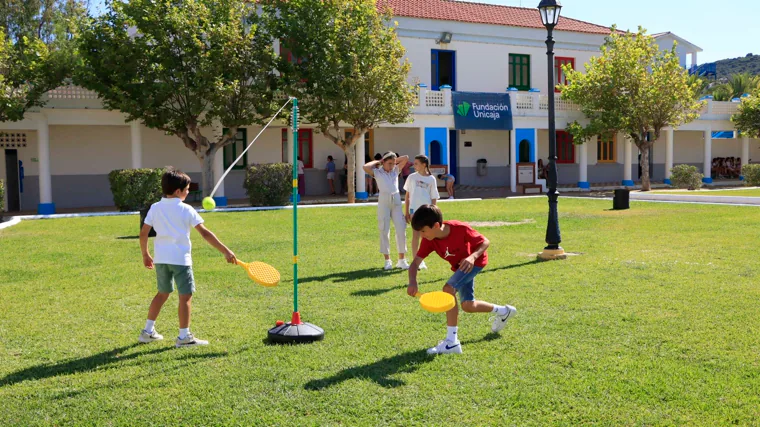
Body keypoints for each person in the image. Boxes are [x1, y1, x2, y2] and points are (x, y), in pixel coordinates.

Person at [139, 168, 236, 347]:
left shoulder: (155, 207)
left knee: (162, 293)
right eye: (187, 189)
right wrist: (226, 251)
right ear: (178, 191)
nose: (188, 192)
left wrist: (146, 254)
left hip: (161, 259)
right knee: (185, 296)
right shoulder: (186, 209)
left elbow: (143, 233)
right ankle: (184, 337)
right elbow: (205, 234)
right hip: (180, 261)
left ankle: (147, 331)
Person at [407, 204, 516, 355]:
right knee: (468, 306)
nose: (421, 235)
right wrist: (412, 281)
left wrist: (472, 257)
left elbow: (485, 242)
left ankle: (452, 343)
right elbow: (414, 264)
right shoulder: (429, 239)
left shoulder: (460, 228)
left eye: (423, 231)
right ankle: (504, 311)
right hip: (460, 267)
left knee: (448, 289)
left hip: (475, 263)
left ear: (436, 225)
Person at [364, 152, 410, 270]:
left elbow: (406, 158)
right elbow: (365, 167)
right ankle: (387, 260)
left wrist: (393, 159)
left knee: (401, 229)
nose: (391, 166)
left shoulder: (395, 170)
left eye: (393, 163)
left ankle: (402, 260)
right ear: (383, 162)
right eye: (389, 163)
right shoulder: (377, 172)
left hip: (396, 201)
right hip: (384, 202)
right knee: (384, 229)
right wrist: (379, 162)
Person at [404, 154, 439, 271]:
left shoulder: (431, 179)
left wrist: (434, 212)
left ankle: (421, 261)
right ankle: (415, 261)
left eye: (416, 164)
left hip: (427, 212)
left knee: (425, 236)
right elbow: (407, 196)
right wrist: (407, 211)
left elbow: (434, 197)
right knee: (415, 235)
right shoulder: (411, 177)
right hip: (414, 211)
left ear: (424, 165)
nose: (414, 166)